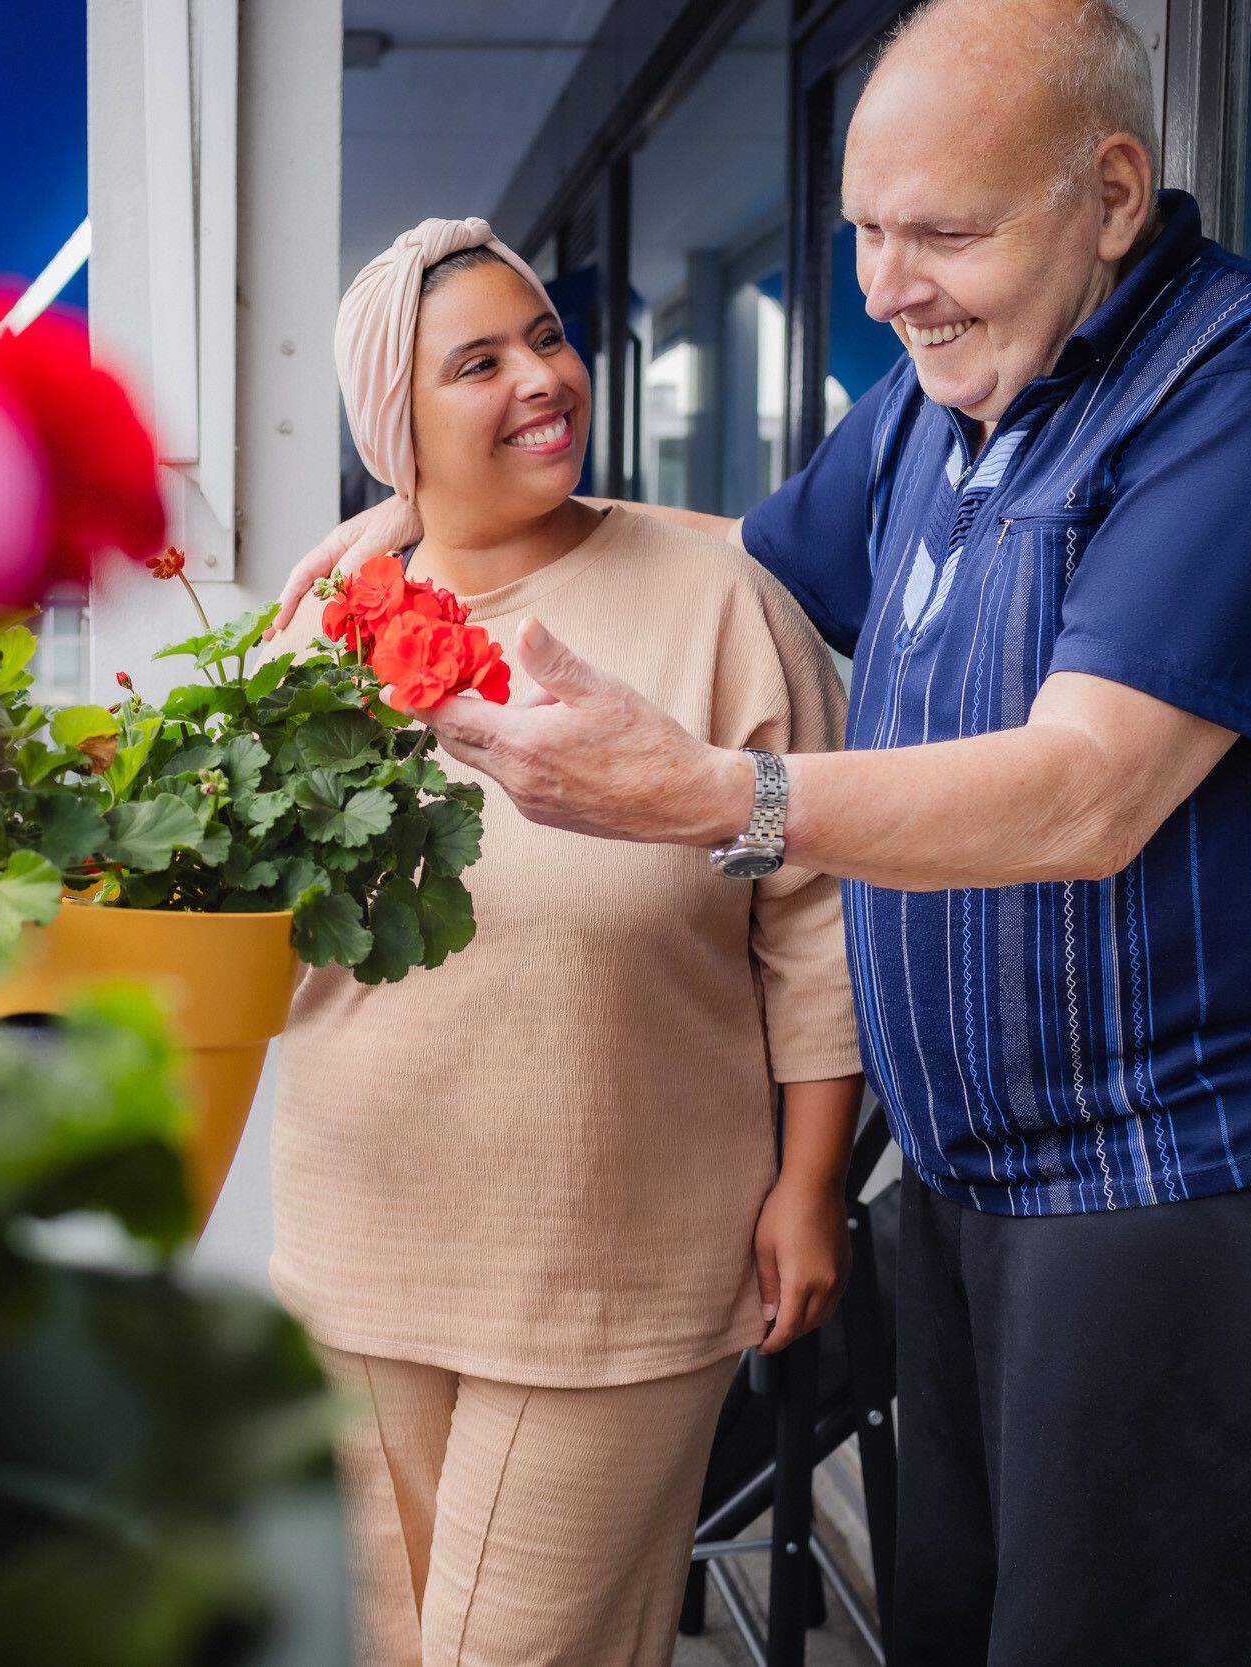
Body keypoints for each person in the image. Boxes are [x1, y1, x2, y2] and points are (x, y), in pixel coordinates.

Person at [270, 3, 1251, 1663]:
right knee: (948, 1627)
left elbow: (1090, 788)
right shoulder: (943, 402)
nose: (885, 289)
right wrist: (423, 511)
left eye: (940, 232)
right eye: (866, 233)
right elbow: (730, 549)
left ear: (1109, 193)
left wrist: (717, 796)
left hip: (1172, 1160)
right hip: (962, 1168)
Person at [269, 216, 865, 1667]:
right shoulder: (323, 630)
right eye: (478, 361)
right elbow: (259, 925)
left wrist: (808, 1184)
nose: (542, 378)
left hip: (619, 1249)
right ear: (392, 426)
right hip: (362, 1237)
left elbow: (820, 918)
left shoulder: (721, 599)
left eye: (545, 337)